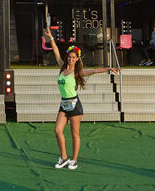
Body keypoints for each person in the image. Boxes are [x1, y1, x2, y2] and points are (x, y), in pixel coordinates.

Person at [44, 27, 118, 170]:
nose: (71, 59)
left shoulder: (77, 72)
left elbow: (95, 71)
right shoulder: (62, 67)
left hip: (74, 105)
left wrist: (109, 69)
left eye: (73, 57)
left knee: (74, 133)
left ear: (77, 59)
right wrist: (51, 38)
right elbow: (56, 52)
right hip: (63, 104)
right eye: (69, 57)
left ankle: (75, 160)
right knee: (57, 130)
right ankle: (64, 157)